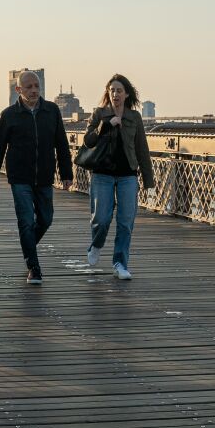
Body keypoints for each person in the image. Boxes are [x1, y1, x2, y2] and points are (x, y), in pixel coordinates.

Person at [0, 70, 73, 285]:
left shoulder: (51, 111)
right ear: (18, 90)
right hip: (19, 177)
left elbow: (61, 143)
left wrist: (66, 174)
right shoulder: (9, 115)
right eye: (29, 87)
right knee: (25, 221)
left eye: (37, 86)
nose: (34, 90)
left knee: (46, 219)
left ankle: (28, 245)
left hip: (44, 176)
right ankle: (33, 267)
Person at [83, 73, 155, 280]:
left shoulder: (134, 118)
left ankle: (120, 263)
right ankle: (96, 244)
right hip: (102, 174)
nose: (115, 94)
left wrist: (149, 181)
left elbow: (142, 149)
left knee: (125, 221)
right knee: (102, 218)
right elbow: (88, 141)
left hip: (127, 176)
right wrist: (104, 125)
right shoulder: (99, 114)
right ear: (108, 93)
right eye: (112, 90)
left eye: (119, 90)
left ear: (126, 94)